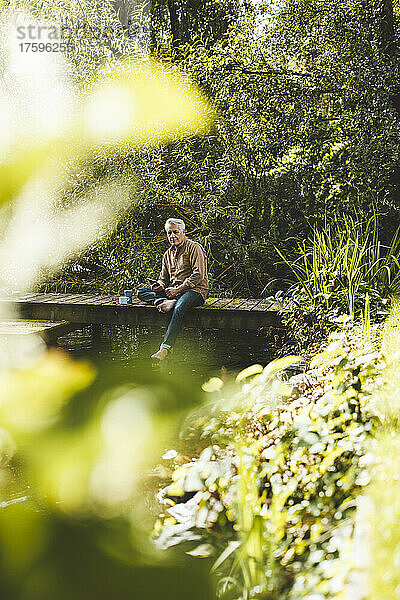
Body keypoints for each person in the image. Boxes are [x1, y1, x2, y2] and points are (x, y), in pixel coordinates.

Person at [137, 218, 208, 360]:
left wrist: (178, 290)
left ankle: (165, 348)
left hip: (195, 291)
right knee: (141, 292)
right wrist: (160, 285)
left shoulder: (194, 248)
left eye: (175, 232)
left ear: (183, 232)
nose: (172, 236)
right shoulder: (167, 254)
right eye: (169, 233)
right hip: (174, 292)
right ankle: (164, 301)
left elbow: (198, 275)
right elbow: (163, 278)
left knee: (179, 308)